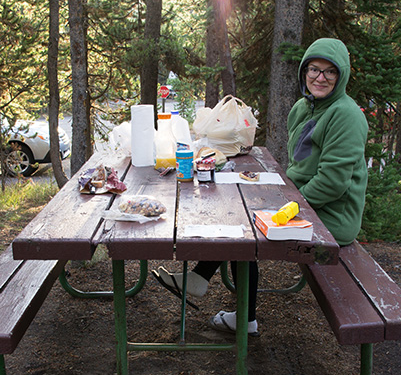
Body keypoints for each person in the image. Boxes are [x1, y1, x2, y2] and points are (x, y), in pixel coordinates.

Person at [155, 37, 368, 336]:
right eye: (314, 69)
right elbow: (302, 168)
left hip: (330, 217)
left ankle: (244, 318)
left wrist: (281, 208)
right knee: (236, 206)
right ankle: (201, 279)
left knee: (245, 225)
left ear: (341, 75)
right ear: (304, 72)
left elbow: (332, 184)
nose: (320, 78)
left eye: (330, 72)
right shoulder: (304, 108)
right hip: (304, 202)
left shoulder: (345, 115)